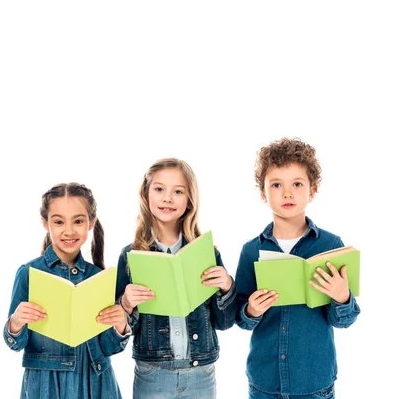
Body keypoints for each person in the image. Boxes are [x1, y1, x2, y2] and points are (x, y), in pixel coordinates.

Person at [234, 137, 360, 399]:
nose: (287, 193)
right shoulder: (251, 251)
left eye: (297, 184)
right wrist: (252, 310)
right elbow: (241, 318)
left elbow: (344, 320)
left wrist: (342, 296)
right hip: (264, 382)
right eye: (276, 185)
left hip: (314, 382)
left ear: (312, 191)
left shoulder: (331, 245)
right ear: (263, 193)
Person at [116, 158, 237, 399]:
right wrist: (126, 304)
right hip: (152, 372)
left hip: (201, 372)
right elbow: (125, 329)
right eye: (159, 189)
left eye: (178, 191)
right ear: (146, 194)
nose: (167, 198)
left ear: (189, 199)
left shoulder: (207, 253)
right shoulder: (132, 255)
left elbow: (224, 322)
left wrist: (227, 287)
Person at [4, 182, 130, 399]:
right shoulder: (29, 273)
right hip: (45, 385)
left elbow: (108, 347)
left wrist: (120, 326)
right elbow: (15, 343)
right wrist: (16, 322)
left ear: (91, 222)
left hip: (95, 382)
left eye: (79, 221)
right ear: (45, 223)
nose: (69, 230)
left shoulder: (100, 277)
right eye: (59, 222)